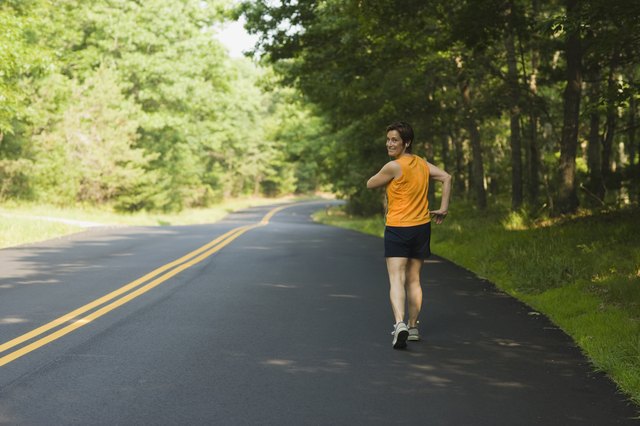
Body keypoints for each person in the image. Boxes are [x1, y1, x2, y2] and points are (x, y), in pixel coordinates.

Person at [366, 121, 451, 349]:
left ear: (407, 142)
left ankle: (400, 324)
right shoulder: (422, 164)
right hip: (421, 227)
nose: (390, 144)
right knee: (414, 280)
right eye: (388, 139)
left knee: (396, 279)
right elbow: (446, 177)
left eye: (394, 140)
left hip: (397, 228)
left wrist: (385, 176)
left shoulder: (393, 167)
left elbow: (370, 184)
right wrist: (443, 208)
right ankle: (413, 327)